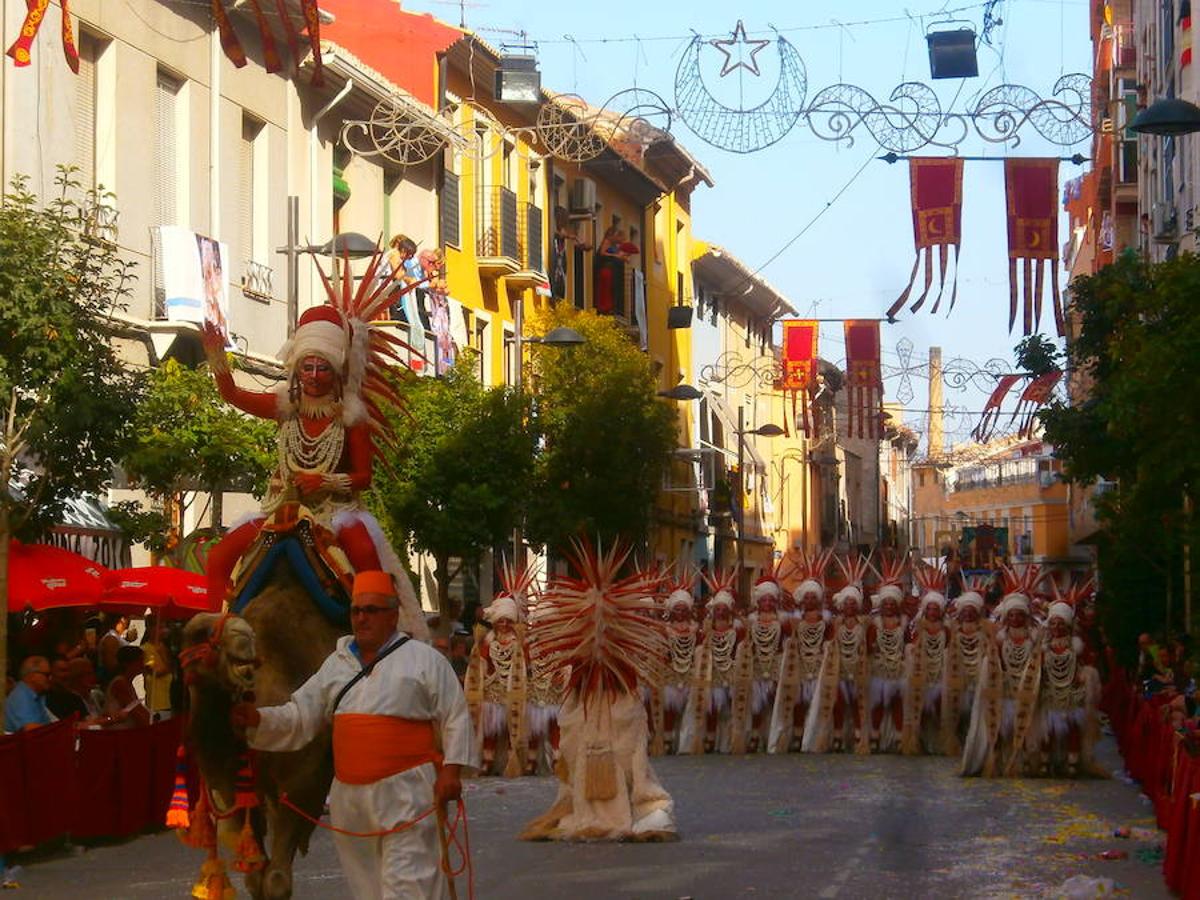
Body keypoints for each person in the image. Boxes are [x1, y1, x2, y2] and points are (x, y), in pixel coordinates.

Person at [199, 269, 428, 642]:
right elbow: (233, 395)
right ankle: (209, 633)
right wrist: (215, 354)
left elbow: (364, 478)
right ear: (297, 367)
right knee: (219, 555)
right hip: (279, 508)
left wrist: (324, 481)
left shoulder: (351, 415)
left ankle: (384, 638)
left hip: (335, 512)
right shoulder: (284, 405)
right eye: (308, 366)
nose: (315, 375)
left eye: (323, 367)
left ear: (335, 370)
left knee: (365, 557)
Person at [232, 570, 473, 899]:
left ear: (392, 615)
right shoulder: (336, 664)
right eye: (356, 611)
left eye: (371, 610)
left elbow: (455, 715)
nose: (362, 618)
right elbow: (300, 716)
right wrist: (257, 720)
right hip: (351, 802)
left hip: (407, 797)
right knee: (367, 892)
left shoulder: (425, 661)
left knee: (408, 889)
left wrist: (452, 769)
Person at [104, 646, 151, 730]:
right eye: (139, 661)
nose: (142, 664)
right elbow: (136, 713)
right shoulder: (119, 683)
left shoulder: (128, 683)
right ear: (127, 663)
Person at [4, 656, 53, 732]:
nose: (50, 678)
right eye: (47, 675)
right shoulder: (20, 697)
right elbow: (32, 732)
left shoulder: (36, 695)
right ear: (32, 676)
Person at [141, 618, 176, 721]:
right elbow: (156, 672)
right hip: (157, 702)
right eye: (160, 627)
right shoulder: (144, 649)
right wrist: (164, 656)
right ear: (151, 629)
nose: (164, 630)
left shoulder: (165, 647)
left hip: (170, 698)